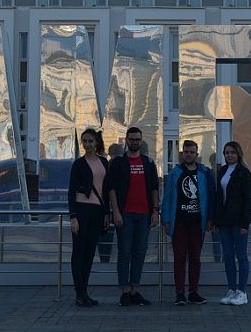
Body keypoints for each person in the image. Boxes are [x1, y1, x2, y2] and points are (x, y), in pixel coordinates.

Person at [108, 126, 159, 306]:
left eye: (137, 139)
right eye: (132, 139)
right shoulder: (118, 162)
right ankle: (124, 291)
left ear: (141, 141)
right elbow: (111, 189)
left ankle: (134, 290)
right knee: (124, 253)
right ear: (126, 140)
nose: (135, 142)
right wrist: (116, 211)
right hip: (125, 214)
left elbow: (154, 188)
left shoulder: (148, 162)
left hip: (144, 215)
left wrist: (155, 210)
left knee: (139, 253)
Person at [162, 139, 215, 305]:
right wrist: (166, 220)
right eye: (186, 152)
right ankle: (179, 292)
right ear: (182, 153)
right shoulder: (174, 173)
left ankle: (193, 291)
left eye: (192, 152)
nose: (189, 155)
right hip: (179, 222)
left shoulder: (205, 173)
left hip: (197, 222)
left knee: (195, 258)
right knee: (179, 257)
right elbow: (168, 197)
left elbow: (211, 197)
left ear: (196, 153)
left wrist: (209, 219)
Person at [68, 128, 110, 307]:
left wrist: (106, 213)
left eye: (90, 141)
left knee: (90, 252)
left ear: (96, 142)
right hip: (82, 209)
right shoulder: (78, 164)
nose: (87, 144)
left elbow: (106, 189)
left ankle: (84, 290)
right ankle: (79, 292)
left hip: (98, 211)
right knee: (79, 252)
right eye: (84, 141)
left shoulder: (103, 162)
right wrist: (73, 216)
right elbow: (71, 191)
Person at [213, 140, 251, 306]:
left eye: (232, 153)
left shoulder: (244, 173)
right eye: (227, 153)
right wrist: (216, 220)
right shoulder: (222, 171)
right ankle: (231, 289)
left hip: (238, 221)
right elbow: (218, 198)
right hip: (224, 221)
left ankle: (242, 291)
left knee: (241, 255)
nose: (229, 155)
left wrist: (245, 223)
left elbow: (247, 200)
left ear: (238, 154)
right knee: (228, 256)